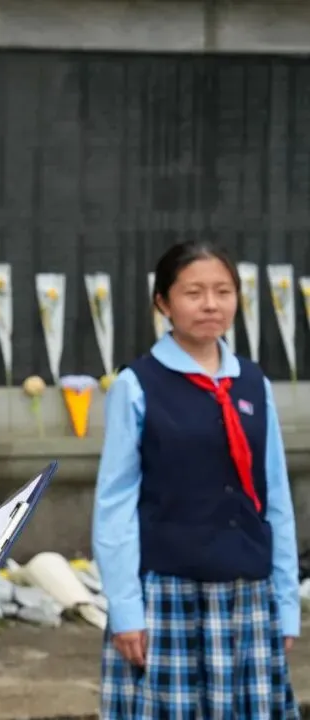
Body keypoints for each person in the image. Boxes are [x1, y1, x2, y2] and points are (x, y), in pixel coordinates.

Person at [93, 240, 300, 718]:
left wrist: (286, 602)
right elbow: (114, 504)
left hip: (248, 593)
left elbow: (275, 498)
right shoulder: (137, 385)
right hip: (167, 596)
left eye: (223, 291)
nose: (211, 304)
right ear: (163, 303)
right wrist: (125, 609)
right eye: (194, 292)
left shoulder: (254, 384)